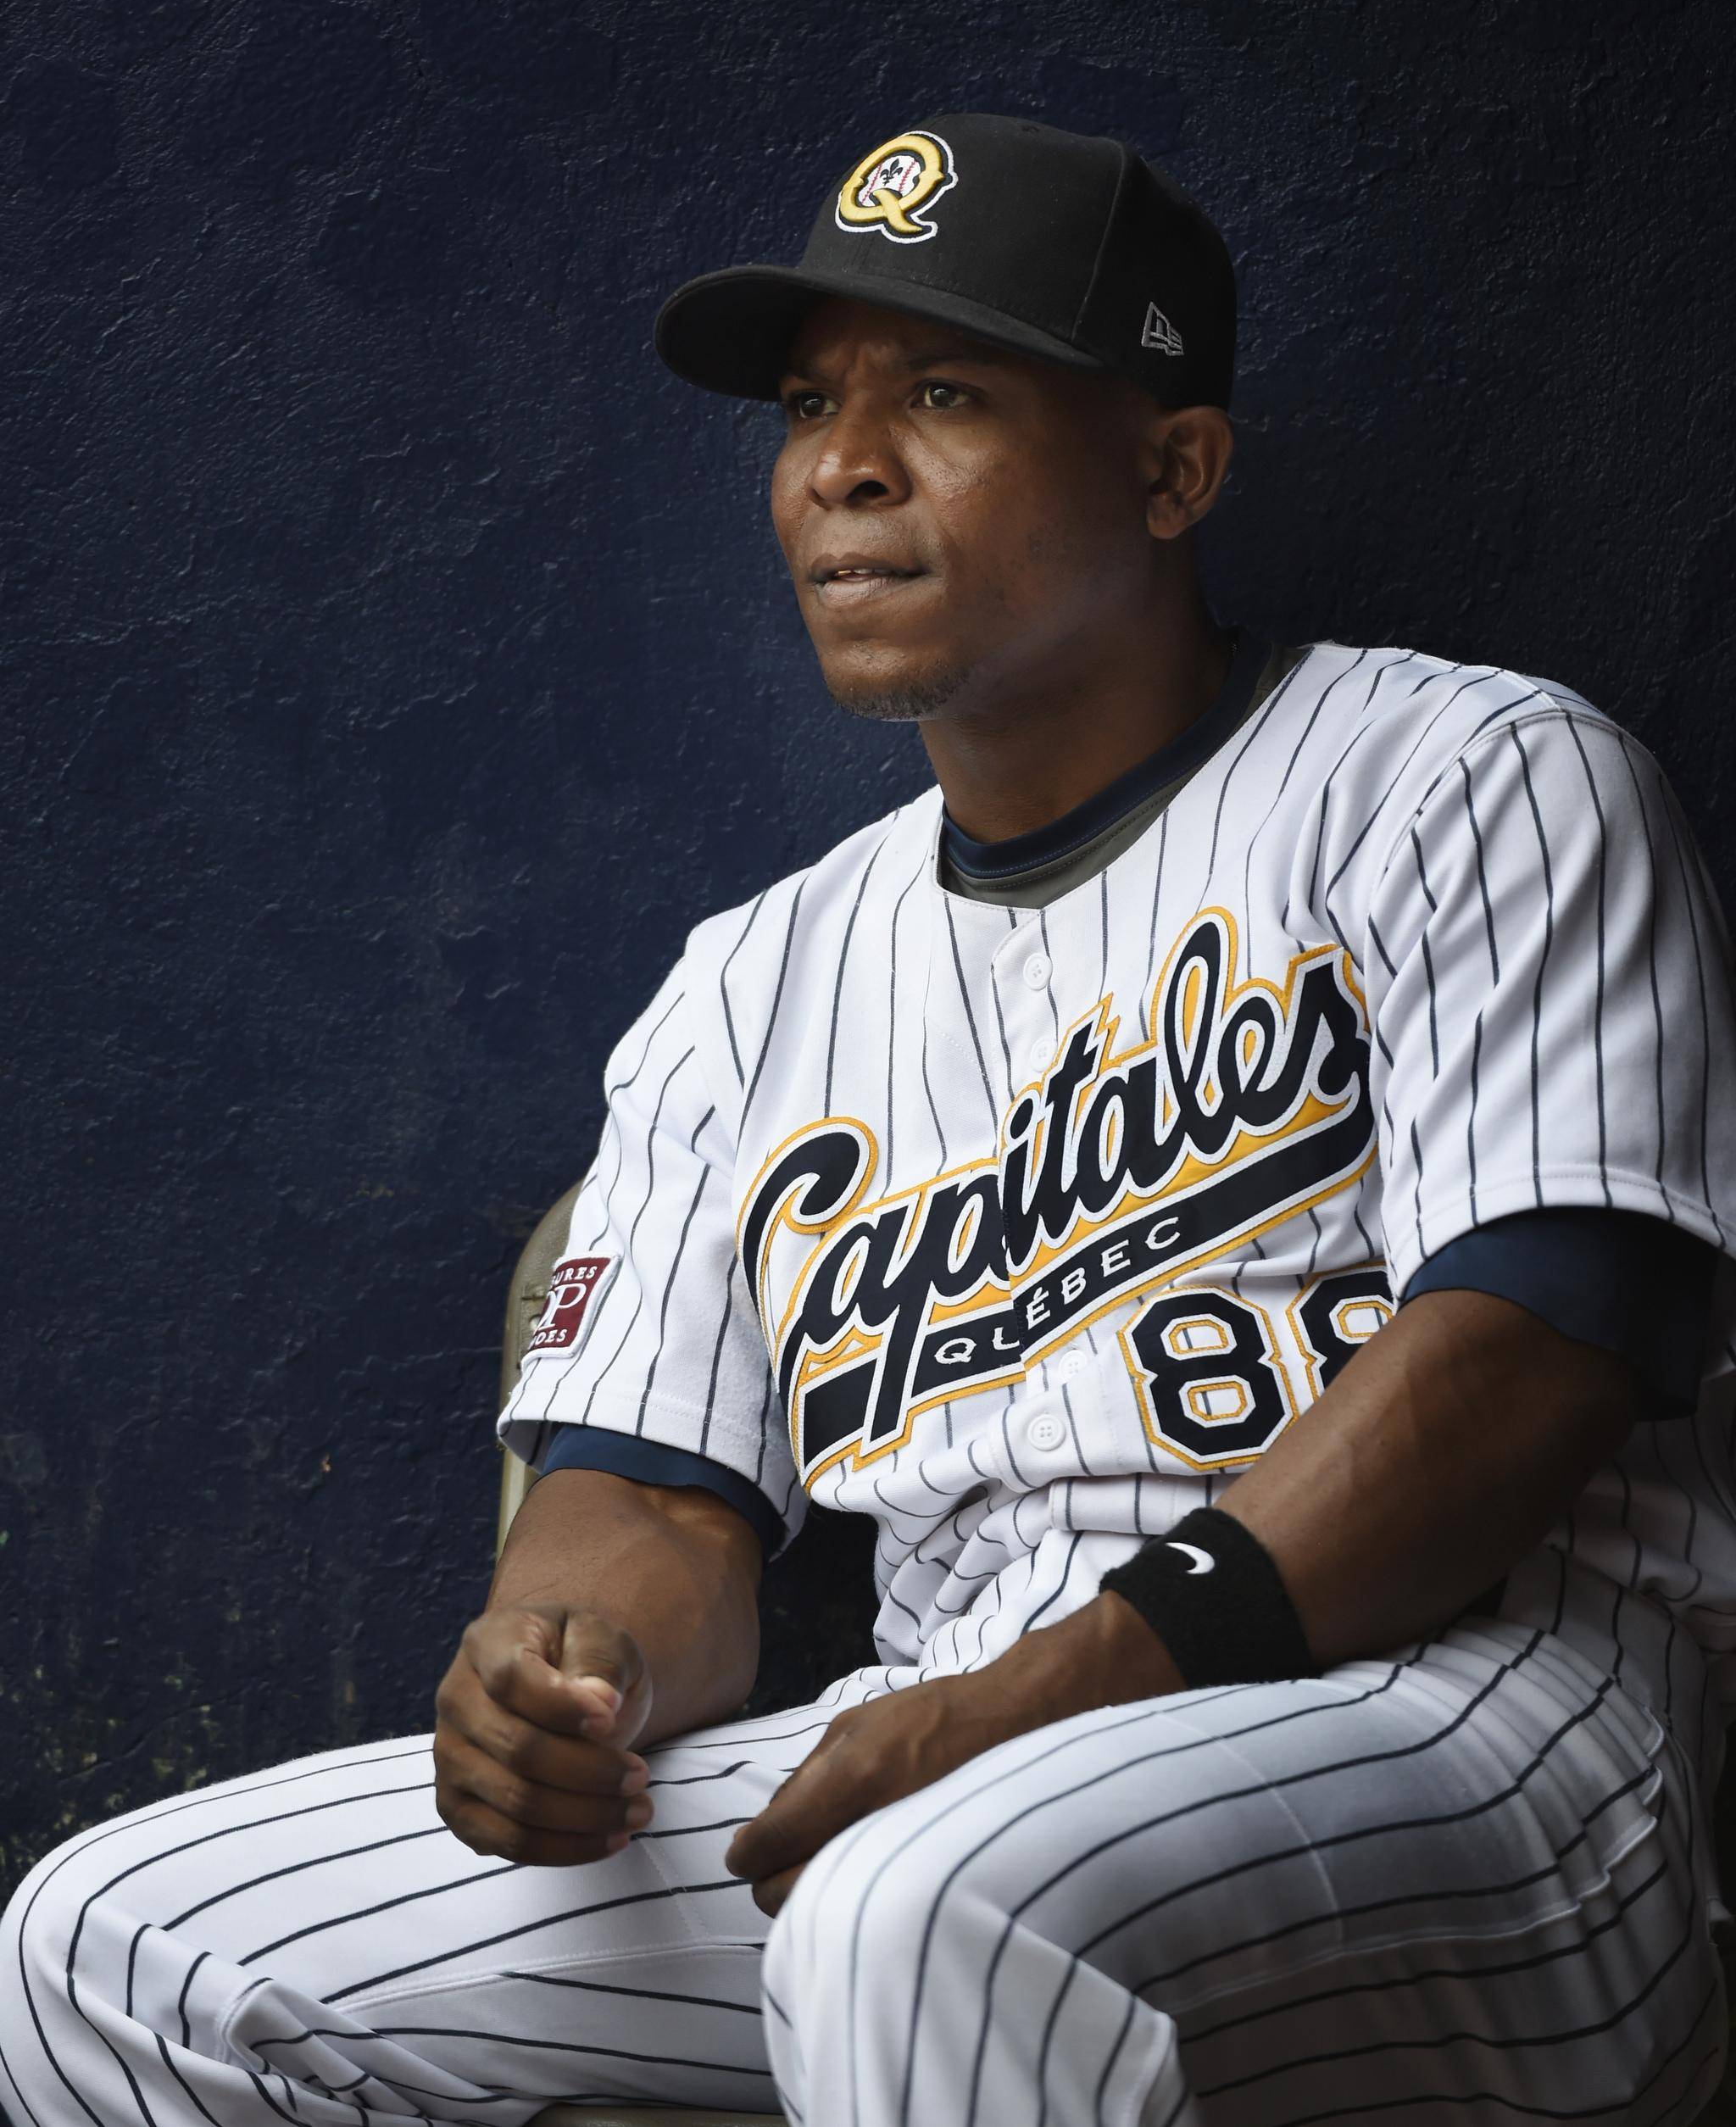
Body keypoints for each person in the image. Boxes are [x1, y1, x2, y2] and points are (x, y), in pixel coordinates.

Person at [5, 112, 1735, 2127]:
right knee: (116, 1943)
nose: (842, 463)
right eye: (811, 403)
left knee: (910, 1902)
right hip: (944, 1749)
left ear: (1173, 468)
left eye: (944, 392)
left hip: (1472, 1723)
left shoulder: (1467, 774)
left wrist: (1042, 1694)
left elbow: (1527, 1359)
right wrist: (559, 1661)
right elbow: (651, 1498)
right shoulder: (751, 980)